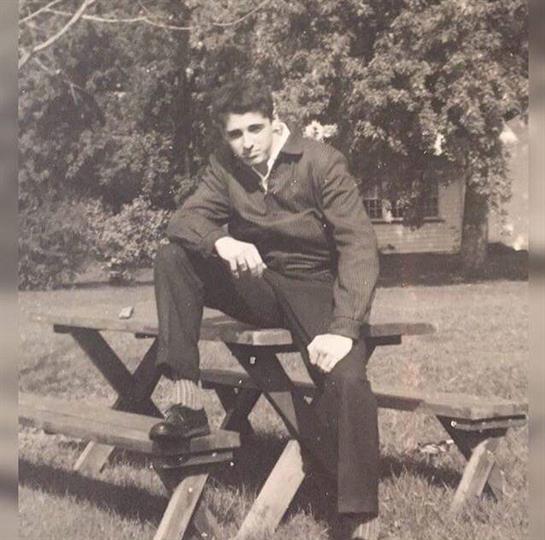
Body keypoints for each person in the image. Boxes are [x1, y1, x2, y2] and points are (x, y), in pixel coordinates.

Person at [150, 78, 380, 540]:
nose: (246, 143)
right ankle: (187, 401)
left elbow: (358, 244)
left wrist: (345, 325)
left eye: (255, 129)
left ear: (276, 124)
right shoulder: (225, 167)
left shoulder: (321, 161)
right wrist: (221, 239)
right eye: (235, 134)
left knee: (349, 378)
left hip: (315, 284)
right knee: (173, 256)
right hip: (258, 283)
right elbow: (183, 219)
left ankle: (357, 517)